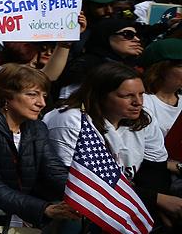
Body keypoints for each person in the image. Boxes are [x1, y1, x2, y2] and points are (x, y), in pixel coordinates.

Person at [44, 62, 180, 219]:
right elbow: (81, 184)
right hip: (68, 203)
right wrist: (156, 199)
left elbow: (154, 171)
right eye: (127, 96)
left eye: (141, 94)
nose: (138, 102)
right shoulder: (71, 121)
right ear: (100, 95)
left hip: (127, 199)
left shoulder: (143, 119)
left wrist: (154, 209)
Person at [0, 65, 79, 226]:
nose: (41, 103)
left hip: (16, 219)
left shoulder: (37, 128)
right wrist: (42, 208)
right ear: (7, 95)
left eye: (44, 96)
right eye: (32, 94)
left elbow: (54, 170)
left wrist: (86, 196)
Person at [57, 18, 143, 99]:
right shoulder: (86, 66)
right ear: (106, 35)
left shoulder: (130, 65)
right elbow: (70, 101)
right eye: (128, 34)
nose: (137, 39)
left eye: (137, 35)